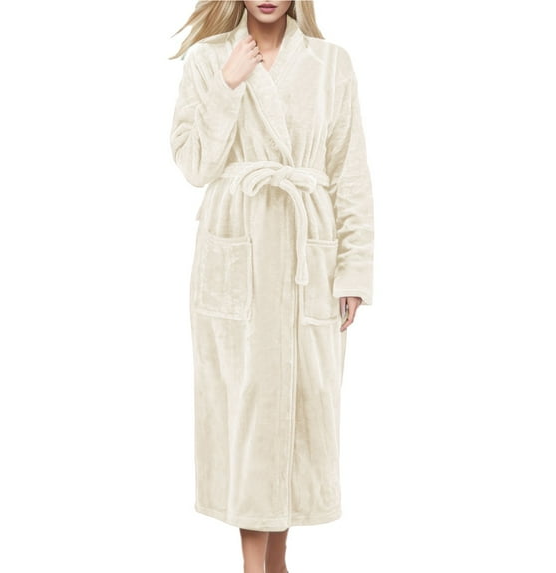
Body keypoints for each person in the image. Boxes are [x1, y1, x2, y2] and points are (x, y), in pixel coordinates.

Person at [169, 1, 374, 571]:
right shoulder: (209, 60)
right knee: (248, 408)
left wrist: (354, 270)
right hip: (238, 253)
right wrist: (227, 86)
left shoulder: (332, 63)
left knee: (300, 408)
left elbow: (350, 172)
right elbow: (194, 164)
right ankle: (254, 566)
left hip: (309, 257)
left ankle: (275, 564)